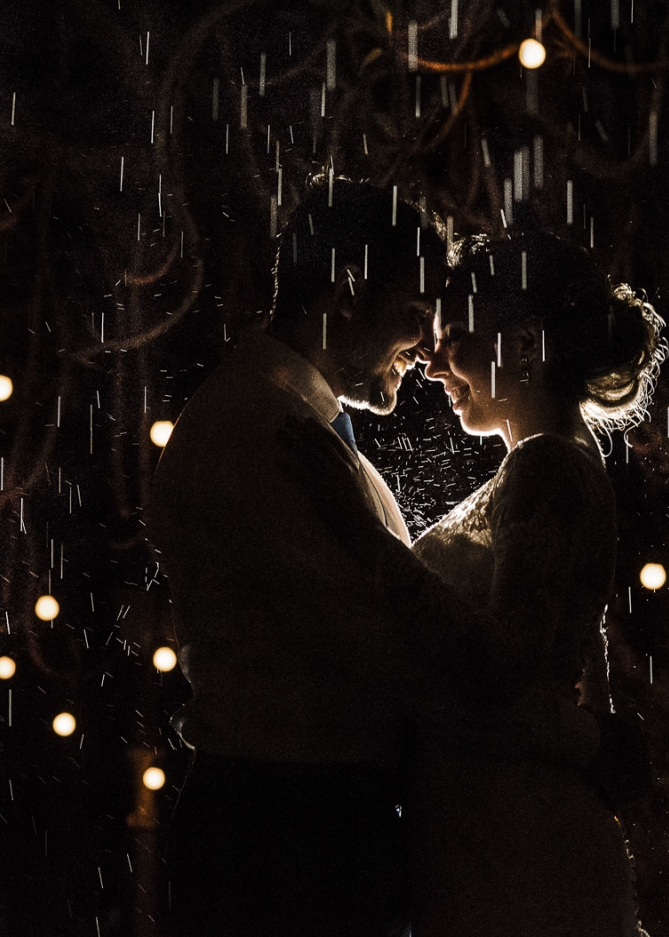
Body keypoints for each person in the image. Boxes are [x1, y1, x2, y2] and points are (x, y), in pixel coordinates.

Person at [280, 231, 664, 936]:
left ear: (523, 345)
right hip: (493, 822)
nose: (429, 362)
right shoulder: (559, 463)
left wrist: (357, 535)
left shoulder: (547, 468)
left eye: (453, 335)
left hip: (512, 840)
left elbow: (500, 669)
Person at [146, 178, 447, 937]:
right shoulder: (262, 431)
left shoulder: (290, 420)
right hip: (288, 835)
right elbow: (371, 646)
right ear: (347, 291)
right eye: (414, 314)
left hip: (301, 820)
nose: (427, 347)